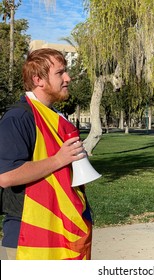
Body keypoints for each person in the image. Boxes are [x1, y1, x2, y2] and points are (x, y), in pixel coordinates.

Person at [0, 48, 93, 260]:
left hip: (62, 233)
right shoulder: (17, 118)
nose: (68, 78)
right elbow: (6, 176)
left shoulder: (55, 117)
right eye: (60, 73)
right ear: (38, 79)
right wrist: (59, 159)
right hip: (29, 238)